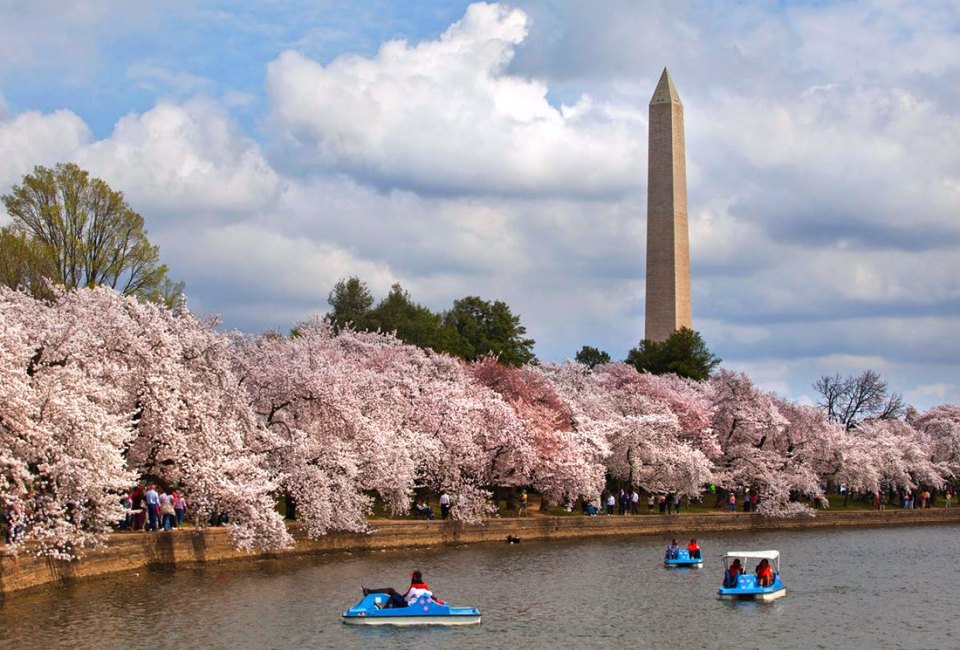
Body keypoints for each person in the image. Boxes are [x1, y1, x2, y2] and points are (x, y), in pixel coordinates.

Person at [362, 570, 443, 609]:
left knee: (391, 591)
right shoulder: (425, 586)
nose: (411, 578)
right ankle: (371, 593)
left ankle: (370, 593)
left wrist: (398, 596)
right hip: (410, 601)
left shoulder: (414, 587)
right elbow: (431, 595)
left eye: (412, 576)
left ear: (414, 577)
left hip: (406, 602)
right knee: (392, 593)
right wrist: (438, 601)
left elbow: (407, 597)